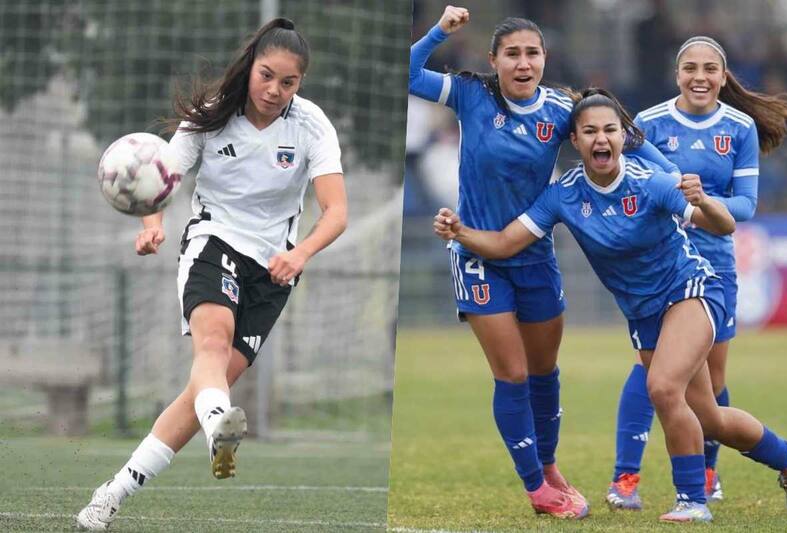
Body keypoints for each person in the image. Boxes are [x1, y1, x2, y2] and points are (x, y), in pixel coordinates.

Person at [433, 88, 787, 523]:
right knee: (709, 418)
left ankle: (692, 501)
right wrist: (460, 232)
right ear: (575, 140)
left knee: (662, 388)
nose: (600, 138)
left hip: (693, 290)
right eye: (589, 131)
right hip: (644, 313)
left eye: (609, 129)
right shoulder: (561, 196)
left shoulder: (652, 183)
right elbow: (503, 243)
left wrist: (703, 201)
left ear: (624, 138)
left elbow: (721, 227)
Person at [77, 18, 347, 531]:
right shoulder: (209, 116)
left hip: (274, 267)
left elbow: (336, 212)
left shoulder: (311, 125)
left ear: (300, 84)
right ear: (251, 68)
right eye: (267, 76)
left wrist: (302, 253)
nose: (274, 90)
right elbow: (159, 180)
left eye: (288, 82)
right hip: (213, 241)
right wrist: (152, 226)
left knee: (207, 385)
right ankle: (220, 427)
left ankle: (111, 493)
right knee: (212, 349)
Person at [409, 5, 679, 519]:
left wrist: (678, 178)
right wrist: (439, 32)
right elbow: (406, 74)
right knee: (510, 374)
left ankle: (549, 467)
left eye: (531, 52)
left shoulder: (560, 111)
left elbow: (627, 138)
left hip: (534, 253)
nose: (522, 62)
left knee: (543, 372)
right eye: (511, 53)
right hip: (478, 254)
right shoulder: (471, 94)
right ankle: (536, 487)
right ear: (495, 60)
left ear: (544, 59)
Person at [607, 36, 787, 511]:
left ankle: (713, 473)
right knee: (650, 368)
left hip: (713, 266)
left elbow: (747, 206)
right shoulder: (648, 124)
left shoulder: (738, 128)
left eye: (709, 69)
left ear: (722, 75)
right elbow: (630, 187)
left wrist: (702, 202)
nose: (699, 76)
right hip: (659, 264)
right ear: (676, 74)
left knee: (709, 385)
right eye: (689, 67)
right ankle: (625, 479)